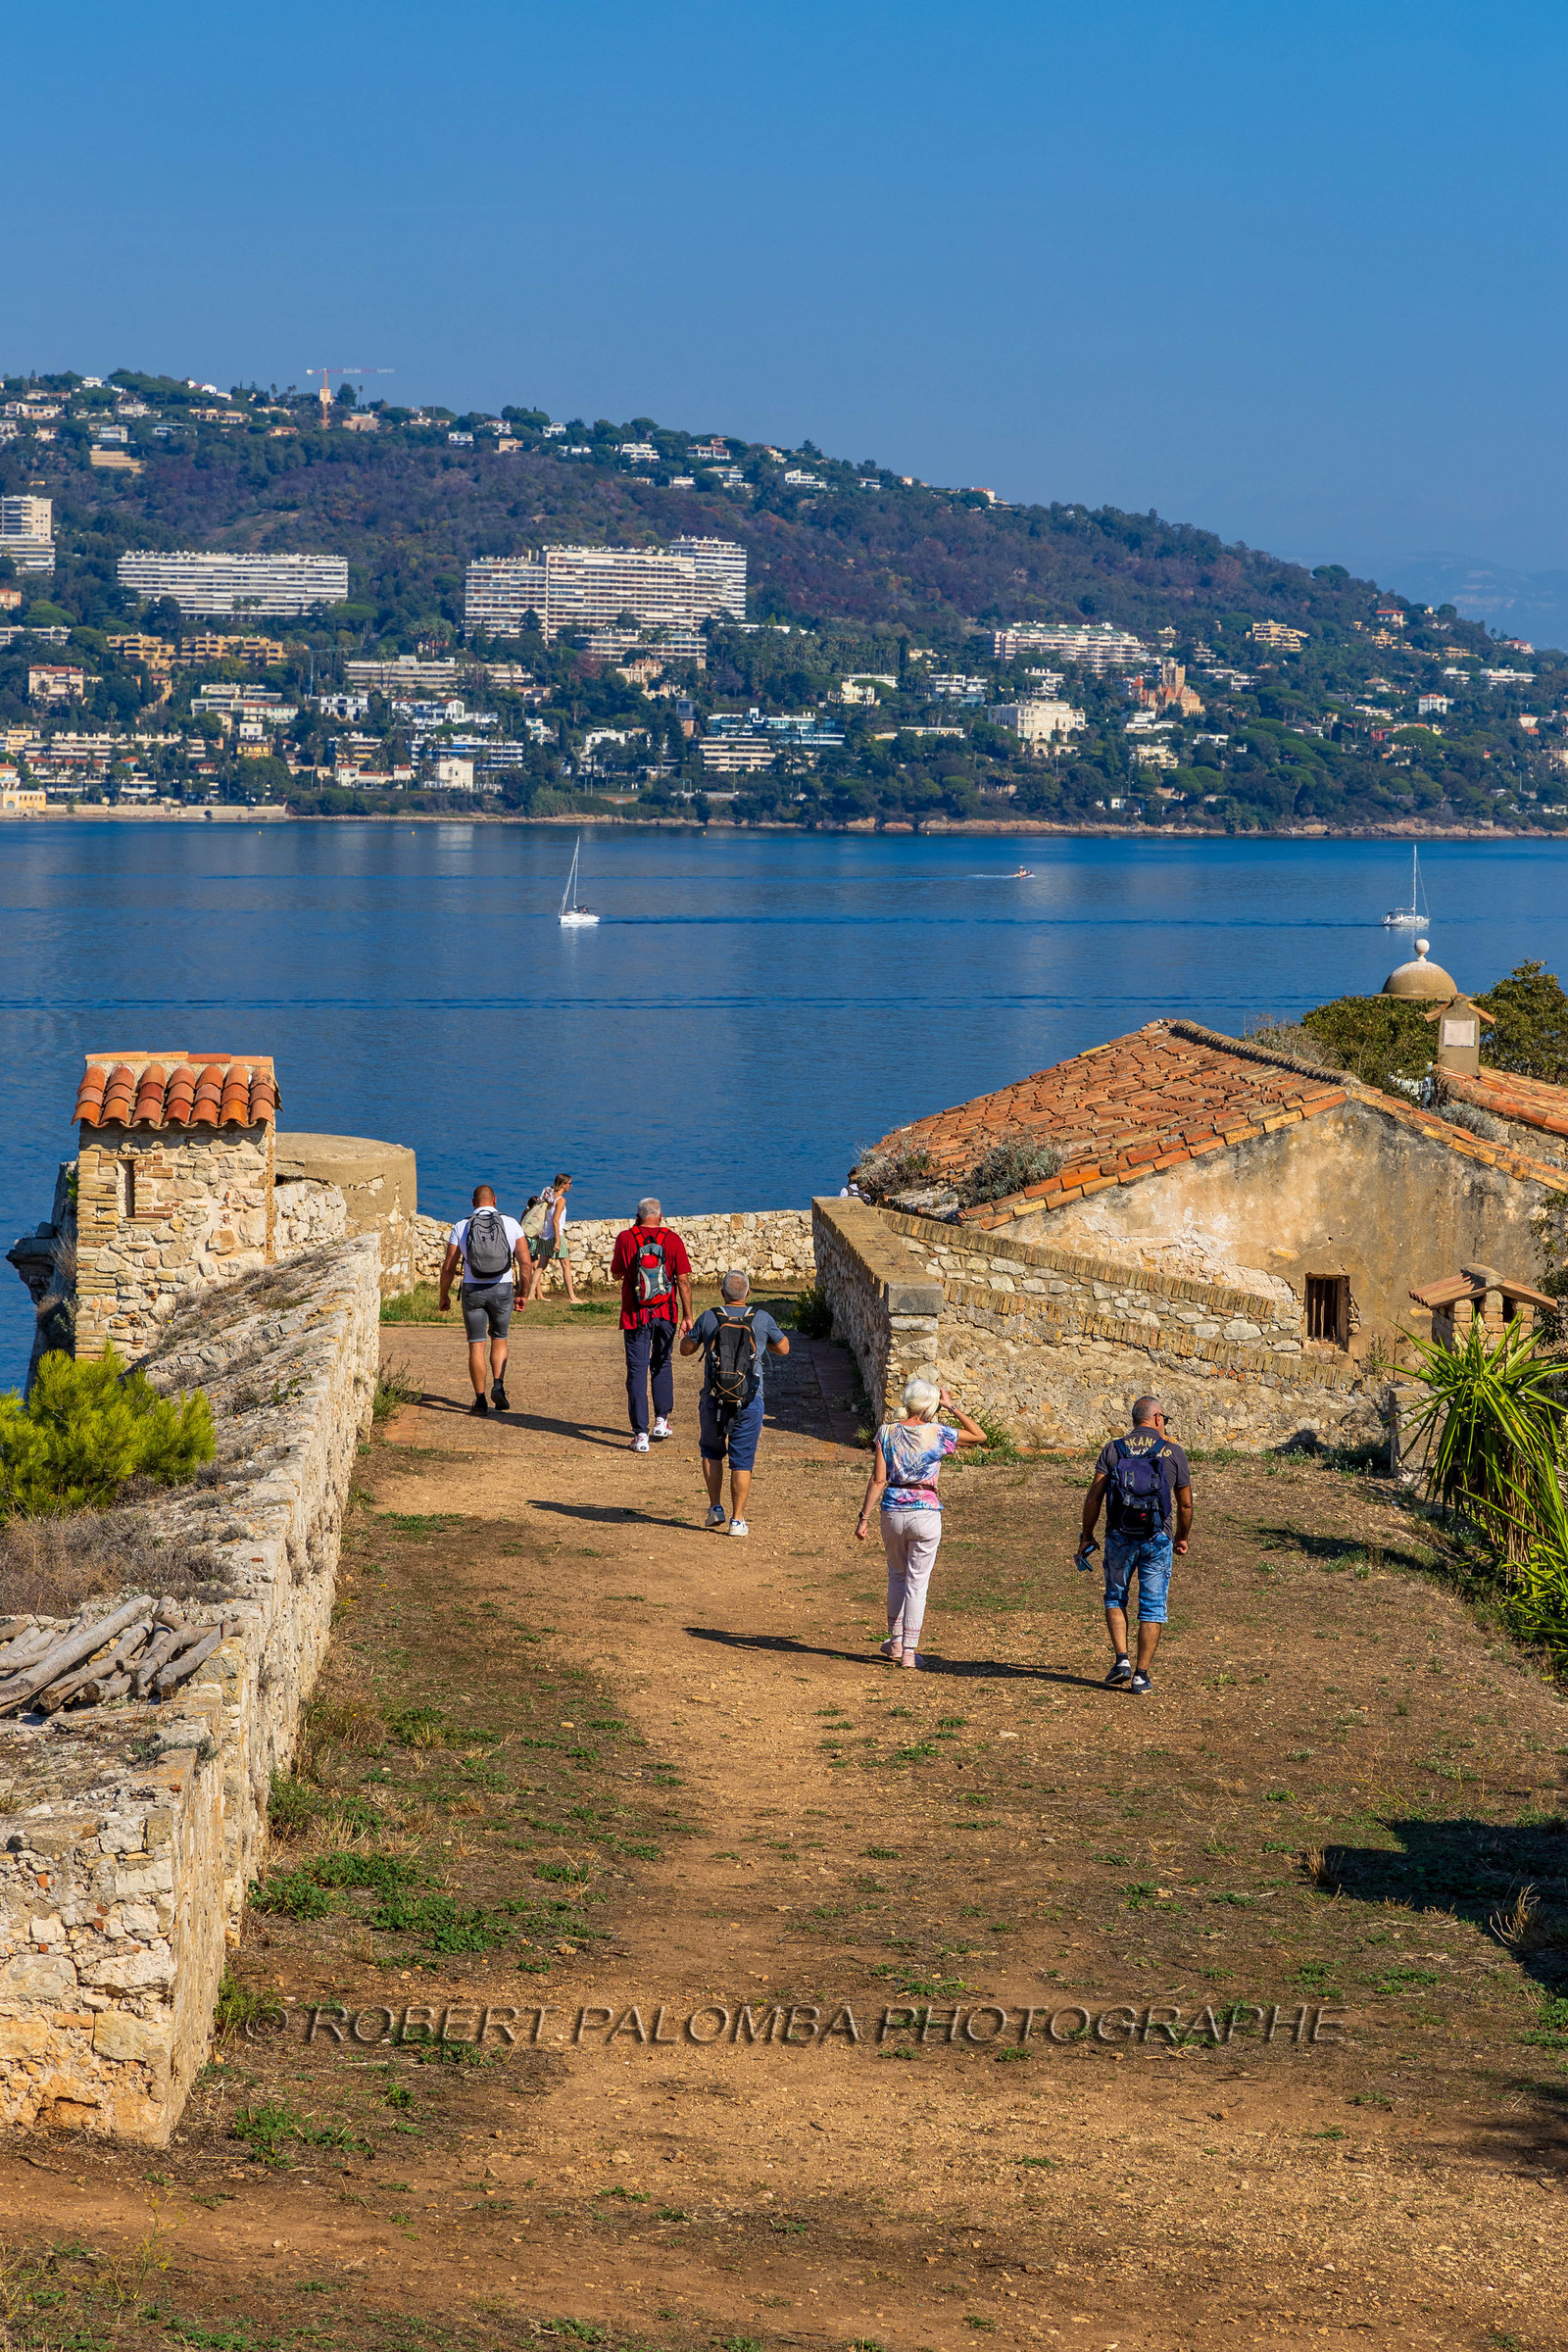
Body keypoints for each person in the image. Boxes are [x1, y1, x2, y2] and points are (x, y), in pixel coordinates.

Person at [854, 1377, 988, 1669]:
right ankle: (909, 1654)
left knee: (896, 1576)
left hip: (892, 1511)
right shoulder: (937, 1433)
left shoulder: (886, 1432)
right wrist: (951, 1407)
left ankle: (896, 1641)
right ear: (930, 1405)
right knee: (918, 1584)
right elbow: (979, 1436)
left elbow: (878, 1479)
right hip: (925, 1511)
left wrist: (863, 1518)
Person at [1076, 1395, 1193, 1696]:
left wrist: (1086, 1535)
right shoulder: (1173, 1452)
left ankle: (1121, 1661)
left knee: (1115, 1598)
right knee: (1152, 1607)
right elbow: (1186, 1504)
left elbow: (1093, 1497)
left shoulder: (1113, 1450)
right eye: (1164, 1419)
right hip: (1157, 1538)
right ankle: (1141, 1676)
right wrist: (1181, 1536)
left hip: (1119, 1535)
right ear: (1157, 1419)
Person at [680, 1270, 790, 1536]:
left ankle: (715, 1507)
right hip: (750, 1400)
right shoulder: (761, 1318)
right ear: (748, 1294)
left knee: (711, 1451)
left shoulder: (709, 1316)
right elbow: (784, 1348)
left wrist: (691, 1334)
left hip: (713, 1398)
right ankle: (737, 1520)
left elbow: (685, 1349)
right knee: (742, 1460)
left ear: (722, 1294)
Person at [437, 1186, 532, 1415]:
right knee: (499, 1339)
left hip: (472, 1290)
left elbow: (449, 1266)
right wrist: (522, 1292)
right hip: (502, 1289)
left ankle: (480, 1401)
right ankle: (498, 1385)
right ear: (495, 1201)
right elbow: (526, 1263)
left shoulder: (462, 1225)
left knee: (476, 1345)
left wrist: (444, 1295)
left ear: (473, 1202)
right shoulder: (510, 1224)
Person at [610, 1197, 692, 1452]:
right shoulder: (673, 1239)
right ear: (660, 1215)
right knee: (662, 1363)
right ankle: (661, 1420)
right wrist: (688, 1315)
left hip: (636, 1315)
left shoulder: (625, 1238)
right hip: (666, 1314)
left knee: (636, 1371)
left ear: (637, 1216)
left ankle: (640, 1435)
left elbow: (616, 1273)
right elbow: (683, 1280)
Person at [525, 1173, 580, 1304]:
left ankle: (531, 1294)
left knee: (540, 1266)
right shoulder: (560, 1200)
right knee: (566, 1266)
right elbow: (556, 1221)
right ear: (563, 1184)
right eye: (569, 1183)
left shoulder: (548, 1199)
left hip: (544, 1235)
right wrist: (558, 1240)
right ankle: (572, 1297)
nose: (571, 1186)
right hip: (554, 1235)